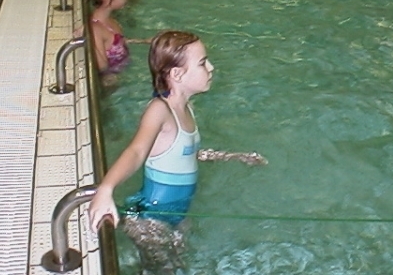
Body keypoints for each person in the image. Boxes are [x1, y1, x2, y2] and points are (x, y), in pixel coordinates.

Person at [88, 30, 268, 274]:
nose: (211, 67)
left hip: (177, 213)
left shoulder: (186, 108)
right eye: (203, 63)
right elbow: (137, 151)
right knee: (164, 270)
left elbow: (186, 153)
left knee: (178, 265)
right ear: (177, 74)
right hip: (150, 219)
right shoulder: (160, 111)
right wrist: (106, 189)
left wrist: (233, 157)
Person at [87, 0, 147, 81]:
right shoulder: (96, 30)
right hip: (113, 81)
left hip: (122, 70)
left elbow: (118, 42)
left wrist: (144, 41)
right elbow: (103, 68)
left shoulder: (109, 20)